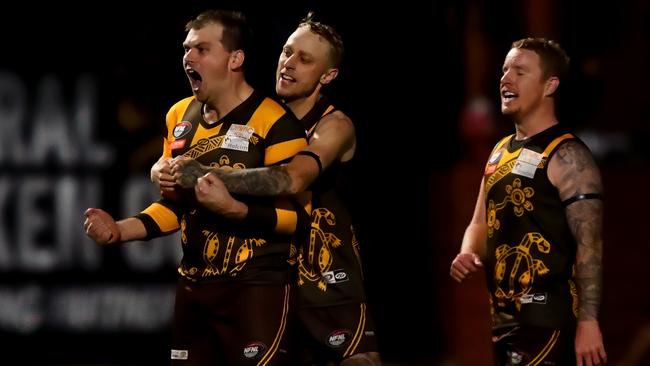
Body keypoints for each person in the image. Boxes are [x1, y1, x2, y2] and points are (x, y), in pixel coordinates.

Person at [152, 12, 381, 366]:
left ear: (328, 75)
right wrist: (162, 167)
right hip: (268, 268)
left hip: (322, 265)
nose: (288, 64)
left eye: (304, 60)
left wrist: (203, 175)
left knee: (356, 360)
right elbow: (189, 146)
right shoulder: (261, 115)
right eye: (287, 52)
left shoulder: (334, 125)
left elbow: (291, 178)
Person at [84, 9, 309, 365]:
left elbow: (298, 219)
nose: (189, 57)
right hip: (194, 287)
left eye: (202, 49)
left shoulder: (276, 123)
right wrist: (119, 231)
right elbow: (175, 205)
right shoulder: (179, 117)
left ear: (235, 59)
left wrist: (233, 208)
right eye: (186, 49)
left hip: (256, 287)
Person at [449, 38, 607, 366]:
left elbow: (589, 243)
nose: (506, 79)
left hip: (548, 321)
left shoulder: (568, 155)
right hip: (505, 320)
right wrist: (467, 252)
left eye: (520, 72)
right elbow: (479, 223)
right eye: (505, 70)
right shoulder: (499, 151)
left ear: (550, 85)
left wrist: (589, 322)